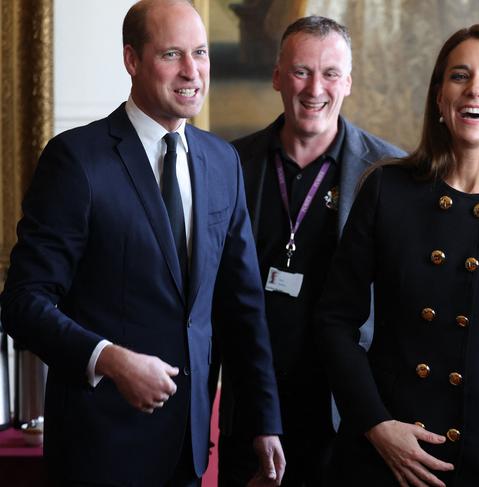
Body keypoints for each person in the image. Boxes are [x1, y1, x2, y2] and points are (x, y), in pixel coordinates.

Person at [0, 1, 284, 485]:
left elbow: (243, 308)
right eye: (172, 54)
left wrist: (265, 423)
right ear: (132, 60)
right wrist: (108, 358)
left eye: (200, 52)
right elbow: (23, 303)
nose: (192, 71)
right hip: (99, 449)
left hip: (189, 451)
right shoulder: (77, 160)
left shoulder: (223, 162)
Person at [316, 24, 479, 487]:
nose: (475, 89)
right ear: (439, 98)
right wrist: (375, 424)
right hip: (379, 449)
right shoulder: (386, 190)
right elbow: (335, 321)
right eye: (460, 75)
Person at [217, 15, 405, 487]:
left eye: (330, 73)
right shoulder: (228, 165)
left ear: (349, 83)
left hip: (349, 421)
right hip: (253, 414)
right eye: (301, 71)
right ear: (278, 76)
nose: (314, 87)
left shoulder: (390, 176)